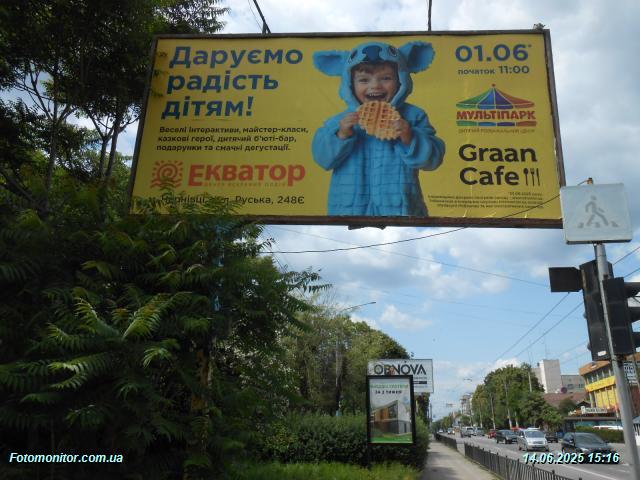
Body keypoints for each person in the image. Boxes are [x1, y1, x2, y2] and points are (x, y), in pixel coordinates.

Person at [312, 41, 445, 216]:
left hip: (401, 210)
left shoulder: (413, 116)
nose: (375, 86)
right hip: (348, 210)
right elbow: (323, 159)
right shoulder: (340, 122)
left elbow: (433, 159)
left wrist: (409, 137)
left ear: (401, 80)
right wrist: (341, 135)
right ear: (350, 84)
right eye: (364, 80)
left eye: (386, 78)